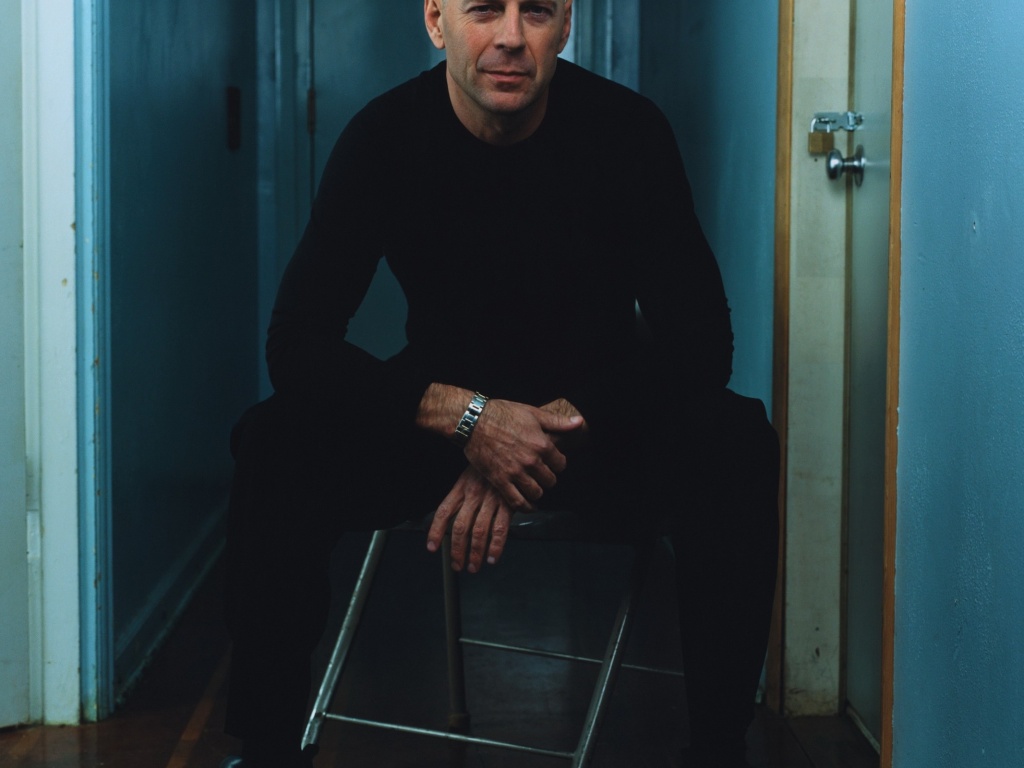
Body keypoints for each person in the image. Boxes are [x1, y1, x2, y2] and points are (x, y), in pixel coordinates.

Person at [220, 1, 779, 766]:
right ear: (437, 20)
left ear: (566, 26)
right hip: (438, 422)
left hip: (589, 428)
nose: (511, 37)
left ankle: (720, 750)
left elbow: (702, 343)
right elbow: (297, 344)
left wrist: (539, 431)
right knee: (275, 440)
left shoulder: (628, 131)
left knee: (736, 440)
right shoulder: (384, 136)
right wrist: (470, 420)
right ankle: (268, 751)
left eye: (535, 11)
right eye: (485, 9)